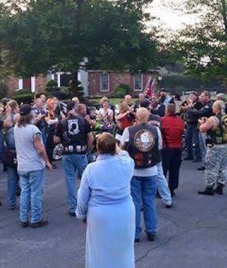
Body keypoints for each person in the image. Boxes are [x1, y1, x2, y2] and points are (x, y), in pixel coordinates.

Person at [76, 133, 135, 268]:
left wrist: (81, 215)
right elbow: (124, 153)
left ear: (98, 149)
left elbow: (82, 196)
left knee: (99, 252)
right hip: (124, 211)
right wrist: (116, 147)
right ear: (115, 147)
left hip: (100, 214)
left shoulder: (91, 169)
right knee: (123, 249)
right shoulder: (127, 164)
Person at [121, 108, 162, 242]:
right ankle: (151, 230)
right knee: (149, 201)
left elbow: (122, 148)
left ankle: (135, 233)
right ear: (148, 117)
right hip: (151, 169)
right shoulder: (156, 130)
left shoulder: (129, 131)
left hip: (134, 170)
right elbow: (159, 147)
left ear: (136, 117)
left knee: (135, 202)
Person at [14, 104, 53, 228]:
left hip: (22, 165)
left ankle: (23, 218)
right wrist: (47, 161)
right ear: (30, 114)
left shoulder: (16, 127)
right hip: (34, 165)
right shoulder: (34, 130)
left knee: (25, 192)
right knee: (36, 193)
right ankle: (36, 218)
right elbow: (40, 149)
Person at [54, 102, 94, 217]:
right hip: (81, 153)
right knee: (86, 180)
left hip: (67, 153)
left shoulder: (62, 122)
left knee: (70, 180)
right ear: (76, 109)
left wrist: (63, 137)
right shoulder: (83, 121)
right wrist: (88, 148)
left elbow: (56, 139)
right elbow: (90, 137)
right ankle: (88, 205)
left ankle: (73, 207)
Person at [197, 100, 227, 195]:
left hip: (216, 145)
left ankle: (209, 187)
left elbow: (203, 129)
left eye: (213, 106)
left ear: (217, 108)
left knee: (211, 166)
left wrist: (201, 123)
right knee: (223, 166)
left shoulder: (214, 118)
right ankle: (220, 185)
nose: (212, 108)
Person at [160, 104, 185, 197]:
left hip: (166, 147)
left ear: (167, 110)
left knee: (163, 169)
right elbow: (182, 132)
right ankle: (172, 188)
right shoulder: (180, 121)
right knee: (174, 169)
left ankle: (161, 189)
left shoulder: (162, 120)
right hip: (177, 147)